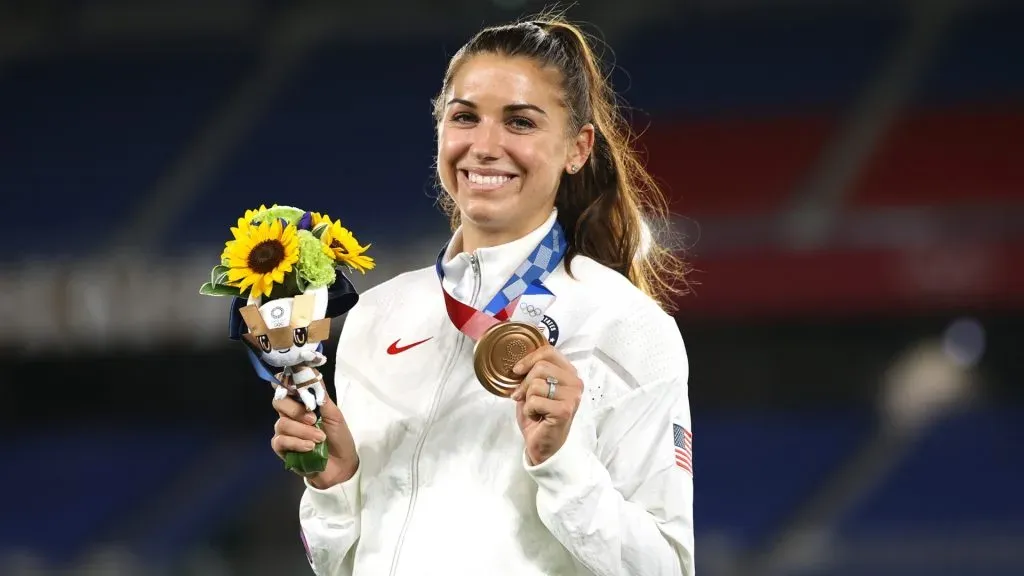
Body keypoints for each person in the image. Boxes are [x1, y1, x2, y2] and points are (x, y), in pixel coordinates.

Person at [270, 14, 695, 576]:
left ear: (577, 148)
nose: (485, 146)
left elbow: (667, 568)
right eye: (465, 117)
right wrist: (334, 484)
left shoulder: (626, 325)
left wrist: (562, 463)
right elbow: (336, 564)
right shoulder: (377, 315)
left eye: (520, 122)